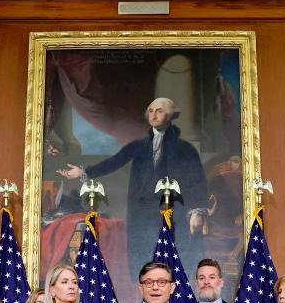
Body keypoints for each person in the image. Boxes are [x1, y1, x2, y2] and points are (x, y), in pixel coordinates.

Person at [59, 97, 210, 275]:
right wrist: (84, 172)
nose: (153, 114)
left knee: (175, 264)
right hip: (143, 213)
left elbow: (197, 180)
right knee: (146, 263)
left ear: (170, 115)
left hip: (176, 212)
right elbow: (114, 162)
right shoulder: (139, 146)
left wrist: (197, 212)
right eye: (151, 111)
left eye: (159, 111)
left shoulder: (185, 149)